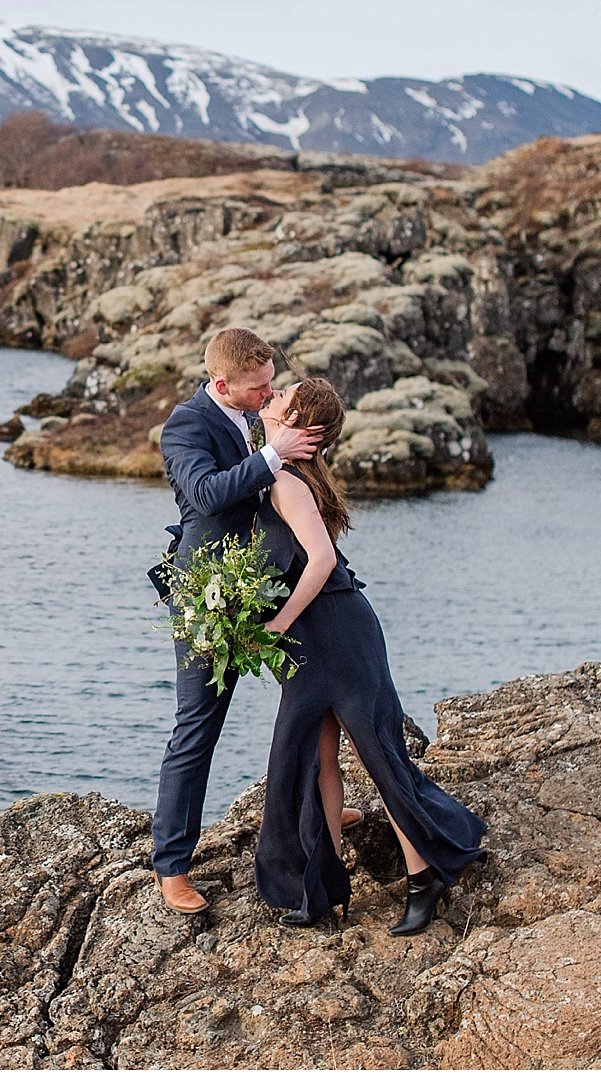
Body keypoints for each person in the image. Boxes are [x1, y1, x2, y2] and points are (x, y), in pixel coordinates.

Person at [252, 376, 488, 934]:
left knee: (377, 756)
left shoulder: (288, 480)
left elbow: (321, 561)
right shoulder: (287, 471)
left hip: (333, 633)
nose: (271, 398)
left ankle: (422, 876)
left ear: (299, 427)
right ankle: (321, 887)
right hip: (323, 632)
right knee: (314, 758)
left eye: (281, 397)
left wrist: (277, 622)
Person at [149, 327, 322, 915]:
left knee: (317, 692)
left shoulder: (255, 417)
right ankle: (172, 866)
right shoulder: (186, 425)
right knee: (198, 728)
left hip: (267, 584)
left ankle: (319, 805)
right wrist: (274, 456)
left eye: (271, 382)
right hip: (207, 596)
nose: (268, 392)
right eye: (258, 387)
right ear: (222, 384)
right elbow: (204, 495)